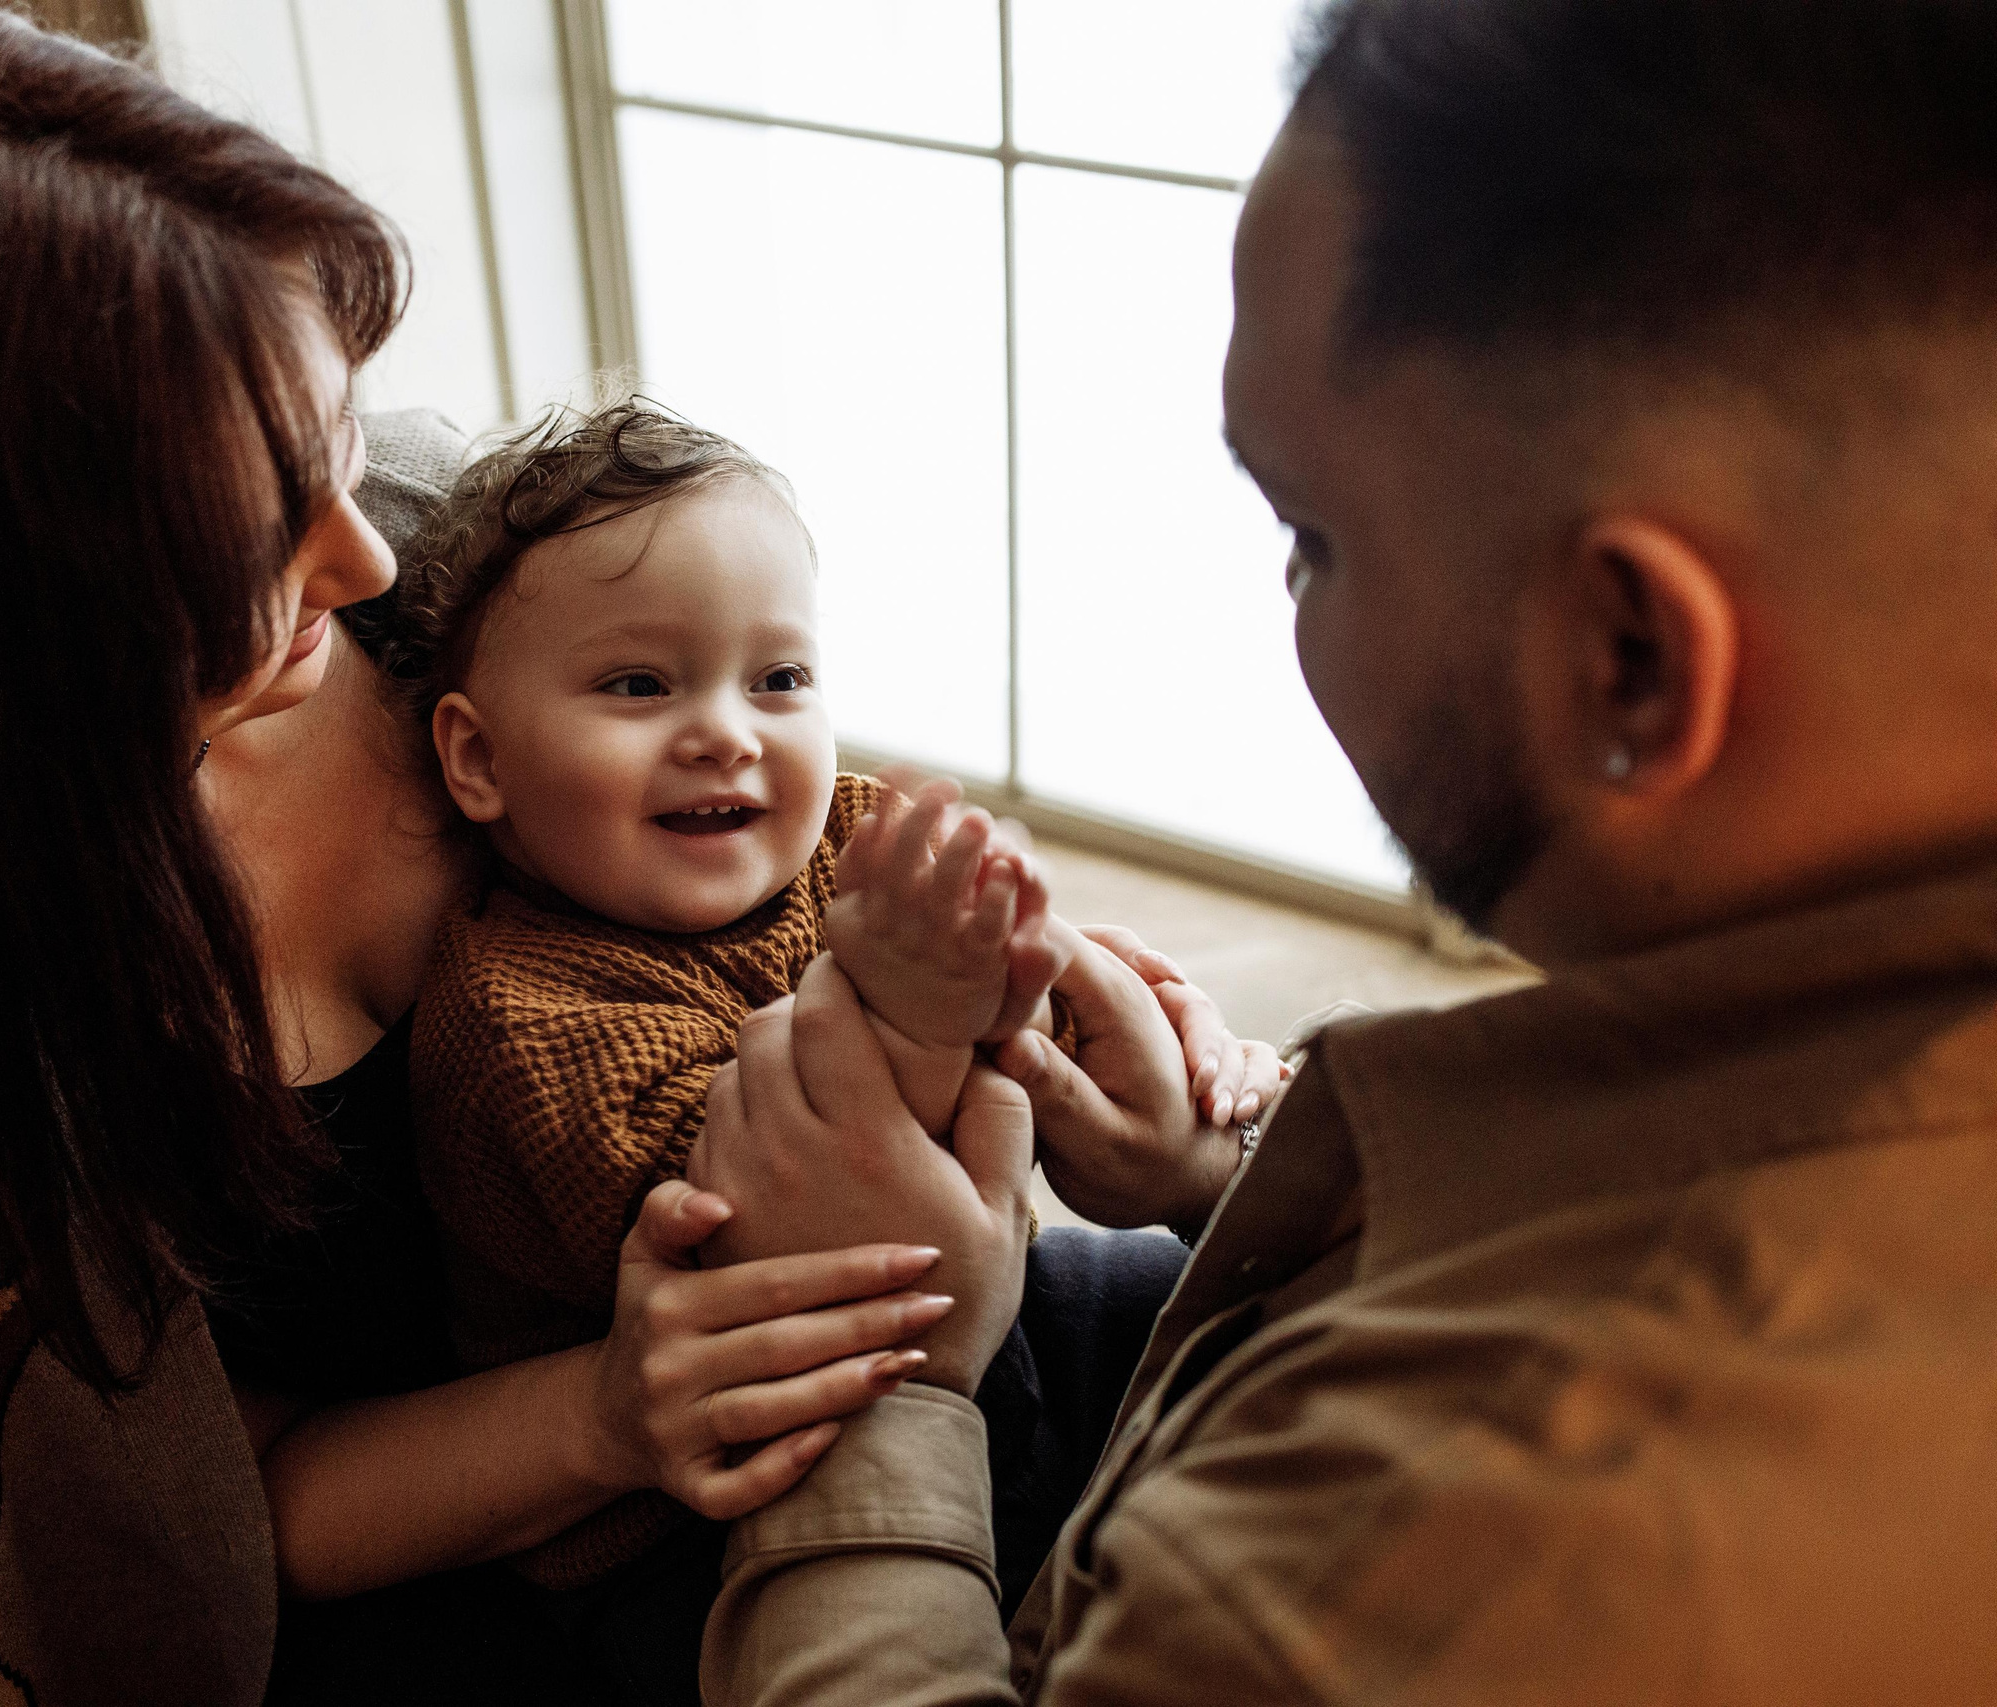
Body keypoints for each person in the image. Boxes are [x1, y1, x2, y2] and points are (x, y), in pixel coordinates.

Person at [0, 6, 980, 1702]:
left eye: (329, 448)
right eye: (251, 531)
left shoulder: (431, 564)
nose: (353, 558)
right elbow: (223, 1520)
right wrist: (611, 1411)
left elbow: (772, 798)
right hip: (456, 1583)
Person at [683, 0, 1997, 1701]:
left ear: (1633, 660)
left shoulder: (1418, 1563)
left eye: (1311, 534)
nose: (1283, 594)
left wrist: (877, 1374)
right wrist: (1233, 1188)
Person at [354, 400, 1282, 1700]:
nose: (728, 731)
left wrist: (1134, 1032)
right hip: (710, 1501)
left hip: (966, 1319)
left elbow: (1016, 981)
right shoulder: (521, 1021)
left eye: (779, 679)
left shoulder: (840, 831)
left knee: (1193, 1307)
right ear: (477, 757)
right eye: (639, 684)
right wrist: (930, 1001)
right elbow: (781, 1214)